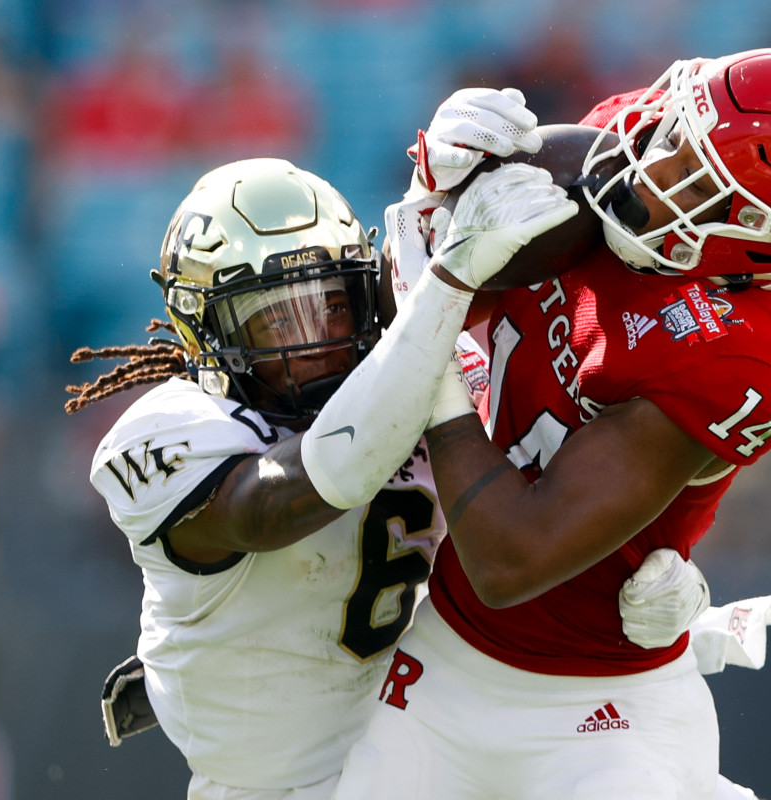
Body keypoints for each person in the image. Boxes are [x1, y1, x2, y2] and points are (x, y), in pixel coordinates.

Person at [334, 47, 771, 800]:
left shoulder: (742, 355)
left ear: (759, 241)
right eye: (673, 133)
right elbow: (396, 307)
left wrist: (433, 368)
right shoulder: (626, 140)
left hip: (603, 710)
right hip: (441, 656)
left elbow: (512, 559)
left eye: (692, 175)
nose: (651, 162)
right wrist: (436, 197)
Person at [66, 148, 580, 800]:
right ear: (206, 332)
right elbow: (282, 500)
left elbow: (539, 510)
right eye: (276, 315)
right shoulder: (169, 427)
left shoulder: (421, 379)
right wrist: (440, 296)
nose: (315, 339)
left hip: (439, 763)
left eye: (332, 304)